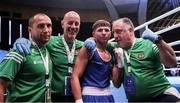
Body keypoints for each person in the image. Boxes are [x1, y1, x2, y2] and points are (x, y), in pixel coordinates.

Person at [85, 17, 180, 102]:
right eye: (113, 32)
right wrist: (91, 40)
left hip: (160, 95)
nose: (115, 36)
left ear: (130, 31)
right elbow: (99, 39)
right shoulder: (114, 47)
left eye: (118, 31)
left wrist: (159, 41)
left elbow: (171, 63)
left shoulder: (147, 44)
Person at [12, 11, 84, 102]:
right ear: (62, 24)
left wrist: (92, 40)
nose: (73, 26)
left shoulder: (83, 47)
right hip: (54, 97)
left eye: (76, 24)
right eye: (70, 23)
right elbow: (36, 42)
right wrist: (22, 40)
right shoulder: (50, 41)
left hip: (76, 96)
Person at [0, 13, 53, 102]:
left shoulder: (48, 48)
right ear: (30, 30)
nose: (46, 30)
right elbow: (1, 84)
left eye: (49, 26)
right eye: (41, 26)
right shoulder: (20, 51)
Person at [71, 20, 123, 103]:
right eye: (100, 30)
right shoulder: (88, 49)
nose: (103, 33)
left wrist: (120, 63)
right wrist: (79, 100)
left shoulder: (113, 52)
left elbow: (116, 84)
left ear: (110, 33)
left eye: (106, 30)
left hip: (108, 96)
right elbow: (75, 76)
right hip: (89, 96)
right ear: (93, 33)